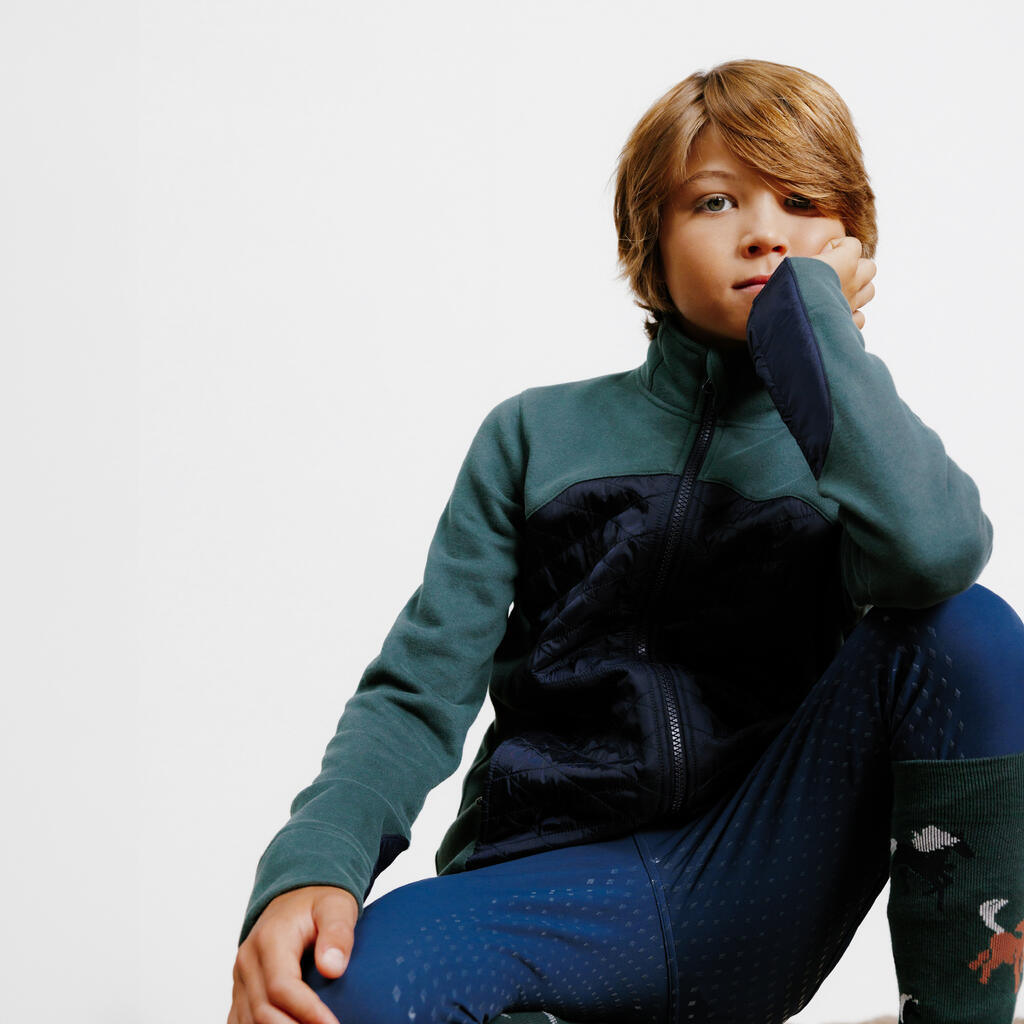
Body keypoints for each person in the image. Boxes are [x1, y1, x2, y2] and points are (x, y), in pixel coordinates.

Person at [228, 58, 1024, 1024]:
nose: (764, 232)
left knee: (969, 629)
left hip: (754, 889)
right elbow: (416, 689)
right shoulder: (532, 434)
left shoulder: (851, 459)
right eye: (716, 200)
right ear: (652, 236)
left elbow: (937, 555)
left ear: (851, 245)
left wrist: (816, 328)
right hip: (543, 892)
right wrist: (314, 864)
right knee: (327, 995)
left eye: (803, 202)